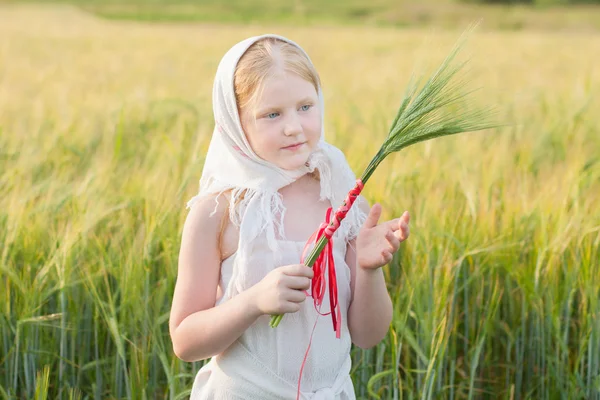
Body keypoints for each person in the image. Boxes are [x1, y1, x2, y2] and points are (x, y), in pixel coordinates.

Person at [169, 34, 411, 400]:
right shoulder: (218, 212)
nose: (293, 126)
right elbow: (185, 341)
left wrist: (367, 269)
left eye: (305, 107)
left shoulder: (344, 201)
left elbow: (367, 335)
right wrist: (253, 302)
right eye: (272, 114)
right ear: (235, 122)